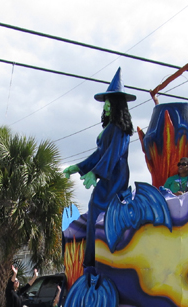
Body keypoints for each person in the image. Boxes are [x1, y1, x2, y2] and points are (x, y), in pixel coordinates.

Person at [63, 68, 135, 268]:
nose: (105, 107)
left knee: (101, 208)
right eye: (105, 104)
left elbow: (113, 154)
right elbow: (98, 155)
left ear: (118, 106)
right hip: (106, 178)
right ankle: (92, 261)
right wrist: (79, 167)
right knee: (95, 206)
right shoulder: (109, 129)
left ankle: (99, 261)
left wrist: (96, 172)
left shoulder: (121, 131)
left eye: (109, 103)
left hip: (115, 180)